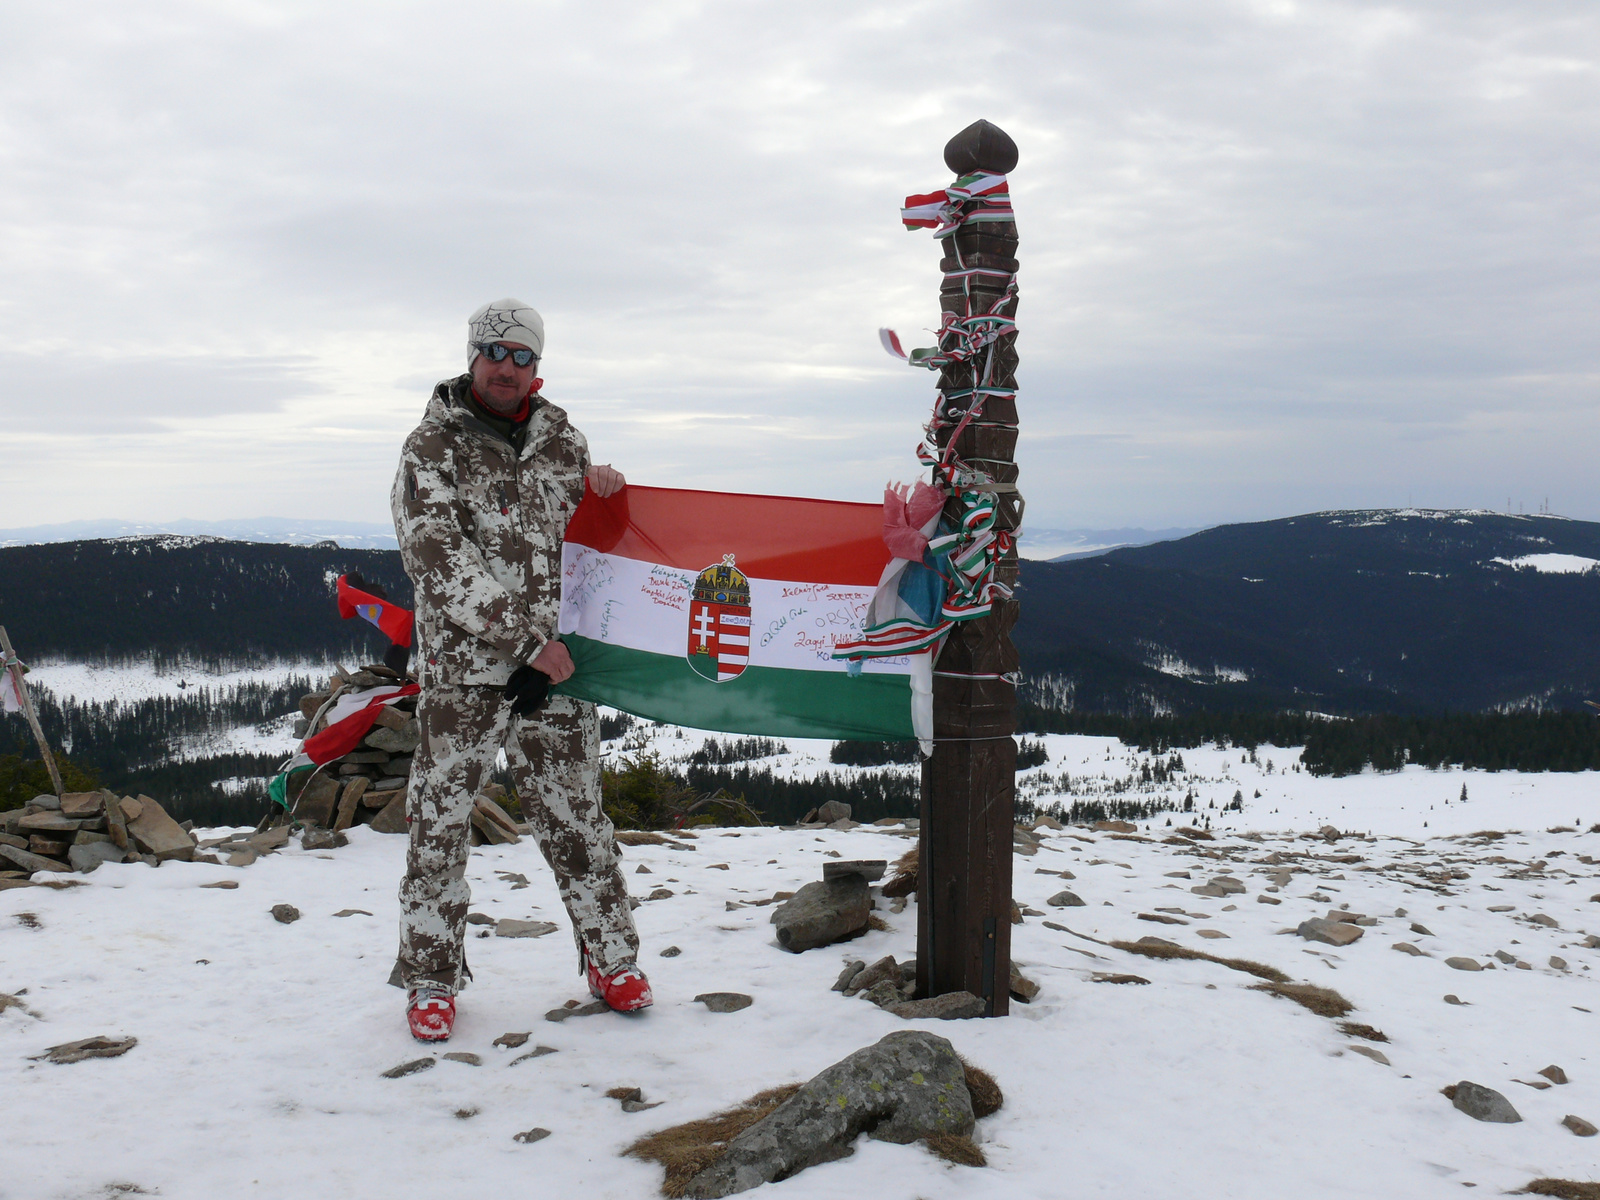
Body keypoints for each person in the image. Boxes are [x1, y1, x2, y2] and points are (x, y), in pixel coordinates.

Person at [389, 298, 648, 1042]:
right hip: (468, 674)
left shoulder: (565, 443)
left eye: (522, 356)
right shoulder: (431, 446)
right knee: (438, 827)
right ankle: (432, 978)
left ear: (538, 366)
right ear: (472, 356)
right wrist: (528, 640)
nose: (506, 366)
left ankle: (613, 959)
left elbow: (589, 552)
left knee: (578, 823)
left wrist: (608, 496)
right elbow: (435, 557)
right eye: (494, 352)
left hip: (556, 675)